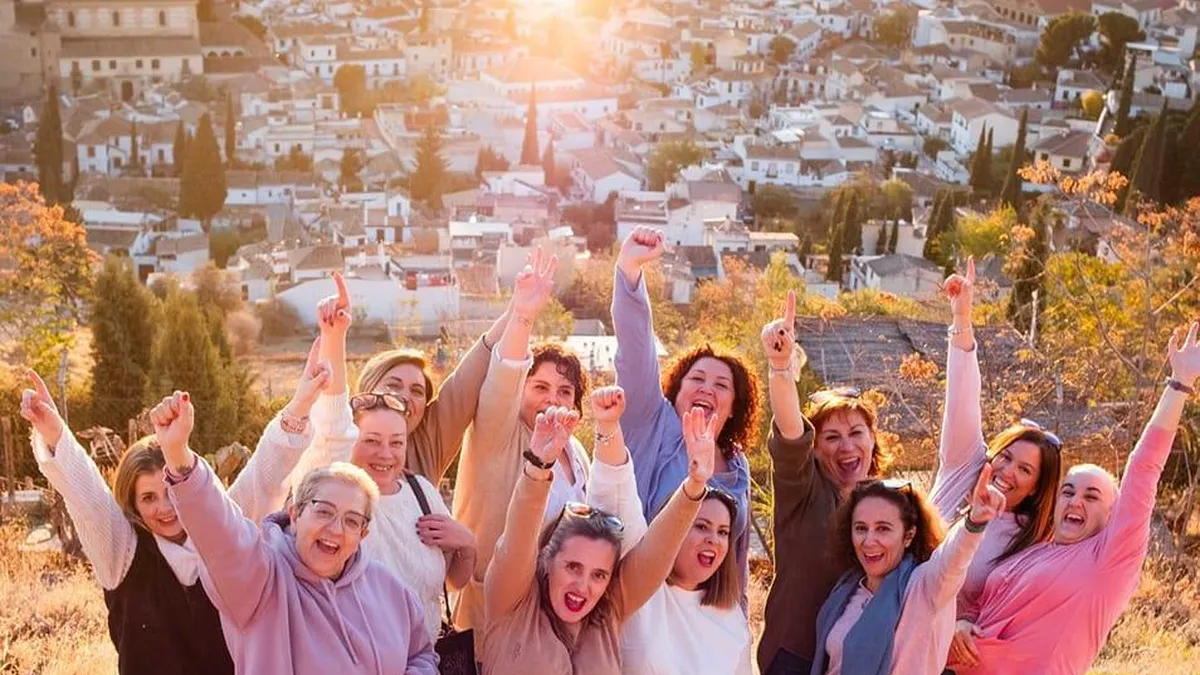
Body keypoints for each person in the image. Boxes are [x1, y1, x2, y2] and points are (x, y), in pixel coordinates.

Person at [19, 337, 331, 675]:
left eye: (171, 492)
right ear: (133, 505)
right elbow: (87, 498)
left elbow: (264, 476)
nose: (165, 508)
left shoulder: (224, 533)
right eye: (148, 498)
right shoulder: (121, 555)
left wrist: (300, 405)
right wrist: (54, 433)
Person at [955, 322, 1200, 675]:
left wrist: (1179, 384)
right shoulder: (1034, 548)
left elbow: (1143, 468)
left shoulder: (1109, 559)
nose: (1075, 501)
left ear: (1112, 515)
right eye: (1068, 491)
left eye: (1091, 496)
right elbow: (981, 610)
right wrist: (963, 623)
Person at [156, 391, 439, 675]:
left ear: (363, 534)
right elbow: (221, 530)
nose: (336, 529)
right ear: (295, 513)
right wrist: (178, 455)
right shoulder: (260, 582)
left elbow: (420, 655)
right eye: (324, 511)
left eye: (352, 521)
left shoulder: (389, 588)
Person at [479, 403, 714, 675]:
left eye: (599, 575)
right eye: (573, 567)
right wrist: (538, 468)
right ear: (546, 559)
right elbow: (517, 539)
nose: (583, 586)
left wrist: (695, 484)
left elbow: (656, 554)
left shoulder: (607, 611)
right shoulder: (512, 601)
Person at [453, 248, 599, 635]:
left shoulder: (576, 452)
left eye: (564, 391)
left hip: (553, 619)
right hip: (493, 616)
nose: (552, 399)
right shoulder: (499, 433)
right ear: (522, 390)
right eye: (540, 387)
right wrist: (523, 315)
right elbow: (504, 375)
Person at [930, 259, 1063, 671]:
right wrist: (962, 318)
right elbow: (962, 398)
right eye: (1005, 456)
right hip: (889, 638)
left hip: (944, 661)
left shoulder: (1031, 540)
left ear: (1037, 487)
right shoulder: (962, 468)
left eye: (1025, 470)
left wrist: (965, 623)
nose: (1007, 472)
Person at [611, 226, 759, 594]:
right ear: (677, 391)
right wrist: (630, 272)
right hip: (643, 599)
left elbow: (737, 559)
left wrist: (737, 617)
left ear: (734, 407)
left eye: (721, 385)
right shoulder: (651, 423)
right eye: (697, 379)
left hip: (704, 612)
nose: (707, 388)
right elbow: (636, 350)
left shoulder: (737, 464)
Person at [757, 291, 898, 675]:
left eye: (856, 433)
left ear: (873, 439)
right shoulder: (804, 490)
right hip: (796, 657)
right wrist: (780, 367)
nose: (847, 447)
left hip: (858, 661)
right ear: (815, 449)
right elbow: (790, 431)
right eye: (832, 437)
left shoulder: (887, 502)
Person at [583, 387, 752, 675]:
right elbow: (615, 493)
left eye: (723, 532)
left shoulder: (731, 618)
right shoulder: (638, 585)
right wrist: (608, 425)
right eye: (701, 526)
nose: (713, 540)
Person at [310, 271, 512, 487]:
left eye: (417, 391)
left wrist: (518, 311)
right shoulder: (340, 440)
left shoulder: (429, 441)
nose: (405, 396)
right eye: (393, 385)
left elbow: (472, 372)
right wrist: (333, 334)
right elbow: (331, 402)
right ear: (368, 388)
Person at [811, 468, 1005, 675]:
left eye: (883, 528)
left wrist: (974, 523)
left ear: (909, 535)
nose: (868, 541)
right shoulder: (846, 588)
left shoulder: (925, 588)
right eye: (861, 528)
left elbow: (953, 560)